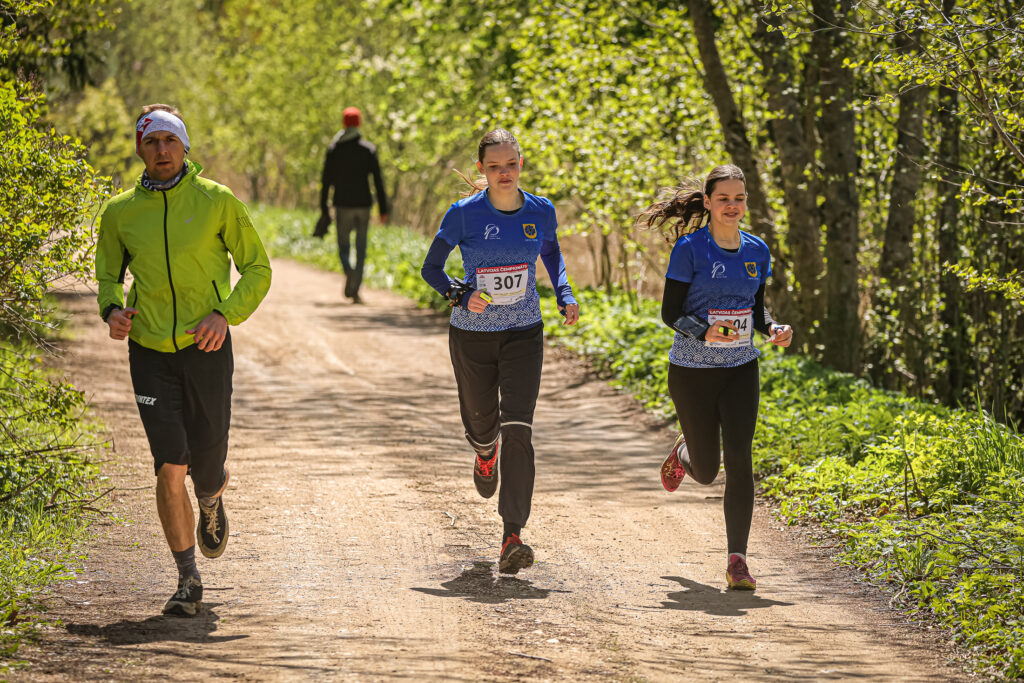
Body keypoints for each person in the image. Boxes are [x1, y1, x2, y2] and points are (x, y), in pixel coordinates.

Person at [95, 104, 272, 616]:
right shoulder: (121, 212)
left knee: (206, 467)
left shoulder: (216, 202)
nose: (162, 151)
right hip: (149, 351)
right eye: (151, 142)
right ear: (139, 150)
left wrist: (225, 313)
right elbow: (108, 273)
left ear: (185, 146)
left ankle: (212, 498)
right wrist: (112, 309)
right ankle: (187, 579)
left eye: (170, 141)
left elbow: (257, 268)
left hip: (206, 349)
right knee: (170, 464)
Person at [420, 129, 579, 575]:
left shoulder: (540, 210)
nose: (504, 173)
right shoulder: (464, 215)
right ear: (482, 170)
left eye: (510, 164)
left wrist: (565, 293)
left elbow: (551, 251)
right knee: (482, 424)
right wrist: (458, 293)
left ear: (521, 164)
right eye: (494, 167)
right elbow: (431, 267)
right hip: (472, 335)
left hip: (524, 332)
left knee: (519, 430)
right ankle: (482, 452)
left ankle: (513, 534)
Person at [640, 164, 793, 591]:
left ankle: (737, 561)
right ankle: (686, 449)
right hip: (691, 371)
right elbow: (670, 313)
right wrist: (702, 329)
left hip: (740, 369)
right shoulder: (690, 249)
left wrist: (773, 328)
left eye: (739, 198)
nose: (732, 205)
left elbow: (757, 307)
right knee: (707, 471)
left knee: (741, 461)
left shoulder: (757, 250)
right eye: (723, 198)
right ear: (707, 202)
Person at [316, 106, 389, 303]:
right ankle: (355, 289)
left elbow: (326, 180)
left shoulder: (334, 149)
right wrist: (383, 209)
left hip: (342, 205)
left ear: (343, 123)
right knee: (361, 247)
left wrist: (323, 206)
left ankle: (348, 271)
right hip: (364, 205)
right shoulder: (368, 150)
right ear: (359, 123)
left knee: (344, 245)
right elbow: (378, 181)